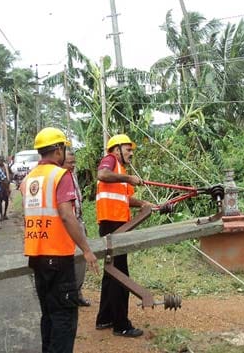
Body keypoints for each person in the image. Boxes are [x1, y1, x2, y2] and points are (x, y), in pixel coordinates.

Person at [23, 127, 98, 353]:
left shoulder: (29, 179)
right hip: (58, 258)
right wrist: (86, 249)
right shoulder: (60, 175)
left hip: (37, 256)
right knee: (64, 319)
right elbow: (66, 215)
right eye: (64, 148)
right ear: (58, 150)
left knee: (48, 316)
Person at [95, 134, 153, 338]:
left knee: (111, 273)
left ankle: (105, 318)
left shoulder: (120, 170)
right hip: (112, 224)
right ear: (116, 149)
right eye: (128, 149)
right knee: (121, 275)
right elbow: (102, 174)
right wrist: (129, 178)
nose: (131, 153)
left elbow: (124, 199)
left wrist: (144, 204)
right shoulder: (110, 161)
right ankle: (121, 325)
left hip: (116, 224)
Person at [62, 148, 91, 307]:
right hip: (67, 224)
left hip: (78, 221)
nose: (72, 165)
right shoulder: (59, 177)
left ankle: (77, 292)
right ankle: (69, 295)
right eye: (69, 162)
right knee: (69, 260)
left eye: (74, 162)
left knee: (80, 261)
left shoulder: (72, 175)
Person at [0, 155, 11, 220]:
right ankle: (1, 214)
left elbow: (10, 173)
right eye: (0, 161)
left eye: (2, 161)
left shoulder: (6, 166)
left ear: (3, 161)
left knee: (6, 200)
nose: (1, 162)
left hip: (6, 185)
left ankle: (5, 214)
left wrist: (9, 180)